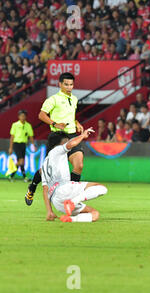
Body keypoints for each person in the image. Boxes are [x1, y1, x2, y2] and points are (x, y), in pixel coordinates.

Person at [25, 72, 84, 206]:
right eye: (66, 84)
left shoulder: (74, 99)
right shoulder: (53, 99)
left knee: (79, 165)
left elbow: (71, 115)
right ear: (60, 84)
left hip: (72, 135)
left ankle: (70, 196)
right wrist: (54, 123)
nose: (69, 87)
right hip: (57, 137)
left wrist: (77, 123)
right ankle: (32, 187)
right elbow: (41, 115)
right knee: (47, 171)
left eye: (71, 85)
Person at [42, 129, 108, 223]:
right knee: (102, 188)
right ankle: (72, 202)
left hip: (56, 201)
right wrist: (83, 135)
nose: (67, 144)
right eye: (65, 142)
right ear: (59, 143)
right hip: (64, 188)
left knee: (94, 214)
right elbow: (71, 144)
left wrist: (49, 211)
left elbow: (45, 189)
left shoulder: (44, 164)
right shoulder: (57, 150)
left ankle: (71, 219)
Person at [8, 110, 34, 182]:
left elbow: (31, 136)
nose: (23, 117)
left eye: (24, 116)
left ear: (26, 117)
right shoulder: (15, 125)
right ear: (18, 117)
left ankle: (11, 176)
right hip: (16, 144)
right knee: (21, 160)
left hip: (23, 144)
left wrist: (33, 145)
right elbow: (12, 137)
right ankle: (24, 177)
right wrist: (10, 147)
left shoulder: (28, 125)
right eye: (21, 116)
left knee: (21, 161)